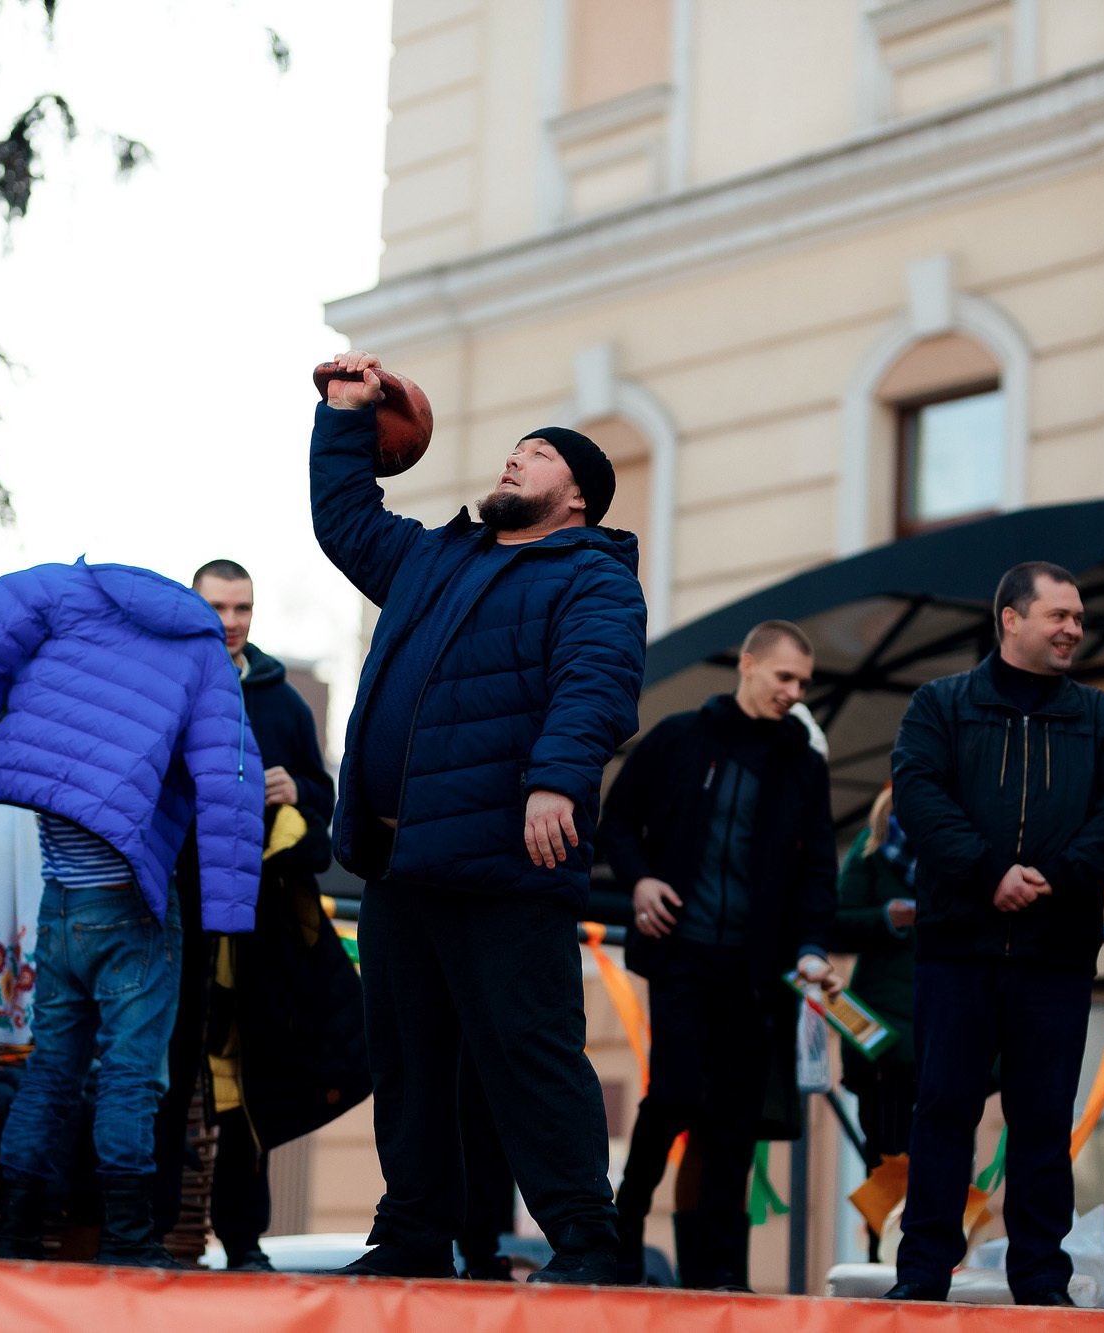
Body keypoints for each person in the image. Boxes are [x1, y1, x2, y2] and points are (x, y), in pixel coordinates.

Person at [311, 349, 646, 1284]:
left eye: (537, 454)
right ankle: (414, 1232)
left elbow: (597, 686)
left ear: (578, 495)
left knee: (529, 1056)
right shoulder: (434, 558)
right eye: (513, 449)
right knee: (409, 1065)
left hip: (506, 858)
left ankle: (586, 1242)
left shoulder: (593, 579)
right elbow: (344, 518)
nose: (513, 460)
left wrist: (555, 781)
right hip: (400, 858)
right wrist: (346, 413)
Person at [0, 560, 266, 1267]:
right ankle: (129, 1240)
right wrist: (229, 908)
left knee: (50, 1072)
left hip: (60, 903)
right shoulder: (201, 652)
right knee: (133, 1077)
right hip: (133, 910)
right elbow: (231, 778)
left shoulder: (63, 598)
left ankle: (16, 1234)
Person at [886, 561, 1104, 1305]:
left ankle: (1040, 1279)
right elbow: (920, 795)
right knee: (943, 1113)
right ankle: (921, 1277)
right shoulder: (937, 706)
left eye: (1078, 618)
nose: (1073, 628)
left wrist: (1057, 878)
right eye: (1058, 615)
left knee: (1042, 1121)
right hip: (957, 948)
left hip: (1055, 952)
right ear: (1010, 617)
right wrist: (988, 872)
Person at [597, 618, 839, 1289]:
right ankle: (624, 1226)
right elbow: (616, 820)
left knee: (736, 1122)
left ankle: (720, 1271)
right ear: (748, 663)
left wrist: (815, 946)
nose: (794, 691)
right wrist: (640, 877)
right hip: (681, 954)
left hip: (757, 971)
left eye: (803, 683)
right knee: (675, 1095)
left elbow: (820, 867)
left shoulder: (803, 764)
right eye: (784, 676)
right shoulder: (681, 736)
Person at [180, 558, 367, 1272]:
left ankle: (244, 1240)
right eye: (219, 607)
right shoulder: (169, 681)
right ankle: (147, 1235)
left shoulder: (283, 700)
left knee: (246, 1092)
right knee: (164, 1082)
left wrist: (296, 792)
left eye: (243, 608)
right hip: (178, 919)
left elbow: (325, 811)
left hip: (260, 931)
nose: (231, 622)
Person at [832, 785, 919, 1261]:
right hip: (882, 1037)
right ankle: (881, 1260)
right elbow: (836, 923)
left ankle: (926, 1259)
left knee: (940, 1154)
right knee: (885, 1155)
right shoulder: (870, 855)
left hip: (934, 1026)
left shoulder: (959, 854)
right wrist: (885, 918)